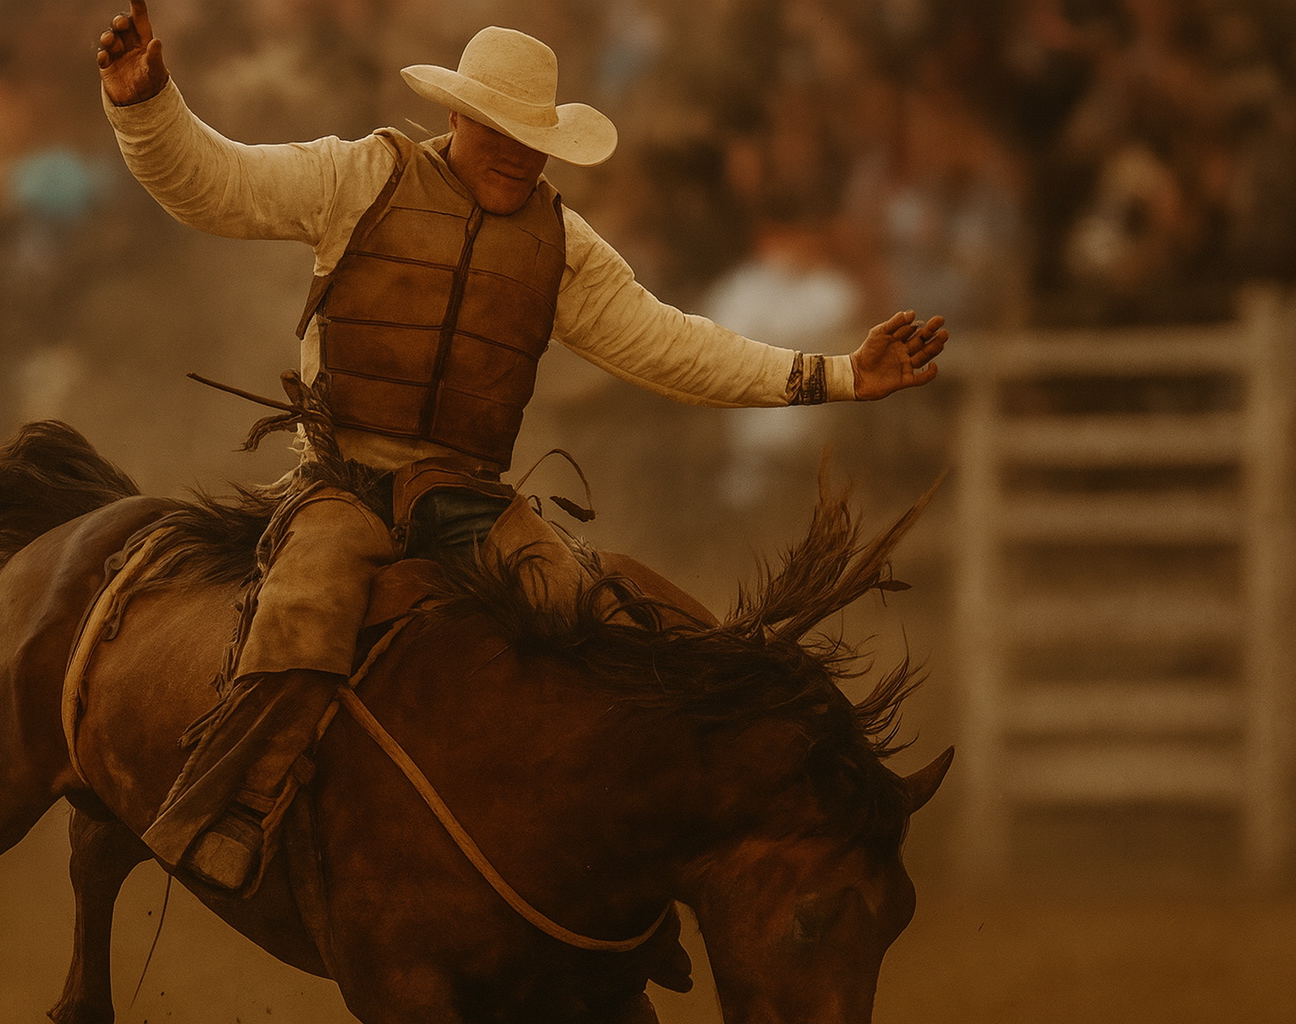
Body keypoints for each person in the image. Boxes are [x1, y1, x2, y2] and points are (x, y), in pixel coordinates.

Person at [96, 2, 948, 891]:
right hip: (342, 484)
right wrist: (146, 104)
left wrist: (843, 375)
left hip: (465, 495)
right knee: (303, 610)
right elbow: (212, 181)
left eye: (531, 137)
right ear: (455, 117)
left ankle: (611, 860)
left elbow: (676, 345)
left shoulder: (562, 248)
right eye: (497, 129)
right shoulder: (359, 178)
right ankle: (230, 813)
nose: (515, 151)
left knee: (602, 627)